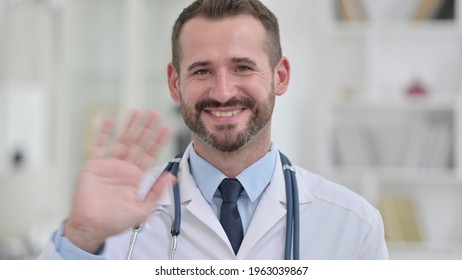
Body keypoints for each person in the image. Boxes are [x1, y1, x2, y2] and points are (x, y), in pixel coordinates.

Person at [40, 0, 388, 259]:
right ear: (175, 84)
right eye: (202, 71)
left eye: (242, 67)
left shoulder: (353, 225)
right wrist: (82, 236)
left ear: (280, 76)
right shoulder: (116, 218)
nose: (222, 92)